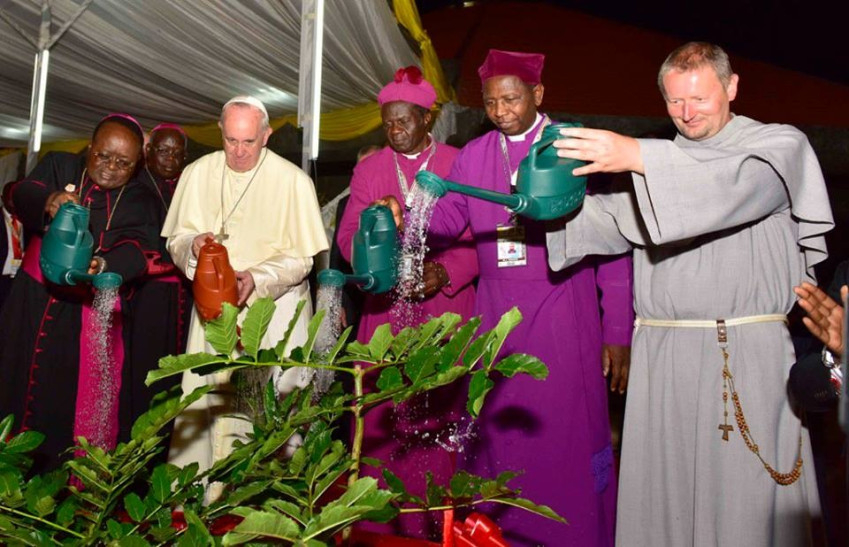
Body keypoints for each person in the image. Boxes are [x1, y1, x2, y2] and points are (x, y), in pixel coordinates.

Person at [547, 42, 832, 545]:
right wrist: (542, 199)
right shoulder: (656, 168)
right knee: (666, 498)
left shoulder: (776, 148)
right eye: (675, 100)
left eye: (699, 98)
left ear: (732, 87)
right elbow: (607, 220)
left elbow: (725, 185)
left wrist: (634, 154)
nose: (686, 113)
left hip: (743, 353)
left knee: (744, 500)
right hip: (663, 355)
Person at [381, 50, 634, 546]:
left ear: (538, 94)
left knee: (563, 437)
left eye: (512, 99)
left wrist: (618, 331)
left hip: (564, 318)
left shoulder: (573, 148)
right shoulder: (476, 154)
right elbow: (448, 220)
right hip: (497, 321)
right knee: (499, 437)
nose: (501, 111)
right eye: (492, 102)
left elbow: (615, 247)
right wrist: (406, 214)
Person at [335, 66, 478, 540]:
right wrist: (377, 247)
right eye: (388, 123)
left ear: (426, 118)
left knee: (441, 422)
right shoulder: (370, 169)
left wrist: (446, 271)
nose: (395, 130)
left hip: (444, 314)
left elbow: (483, 236)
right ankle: (378, 529)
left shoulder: (459, 161)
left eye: (404, 121)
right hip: (385, 315)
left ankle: (440, 527)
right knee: (383, 423)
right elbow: (347, 238)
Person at [161, 96, 328, 500]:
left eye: (248, 142)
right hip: (214, 308)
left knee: (274, 414)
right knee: (207, 403)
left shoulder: (293, 181)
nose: (238, 152)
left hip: (275, 312)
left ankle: (269, 505)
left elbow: (303, 259)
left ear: (266, 136)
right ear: (221, 132)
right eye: (230, 140)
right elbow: (176, 239)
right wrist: (192, 246)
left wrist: (256, 278)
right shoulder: (197, 173)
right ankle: (199, 500)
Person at [0, 114, 165, 473]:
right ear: (90, 148)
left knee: (63, 401)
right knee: (13, 381)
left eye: (123, 163)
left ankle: (57, 480)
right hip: (31, 300)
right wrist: (49, 199)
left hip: (86, 313)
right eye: (103, 156)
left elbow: (141, 249)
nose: (110, 168)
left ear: (137, 164)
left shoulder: (141, 197)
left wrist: (104, 265)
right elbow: (20, 192)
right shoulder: (61, 165)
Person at [123, 123, 193, 454]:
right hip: (145, 297)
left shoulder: (189, 187)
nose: (170, 159)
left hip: (184, 296)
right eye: (163, 151)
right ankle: (138, 446)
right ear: (148, 152)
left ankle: (172, 445)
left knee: (180, 372)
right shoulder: (134, 186)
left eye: (177, 153)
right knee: (144, 372)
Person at [1, 181, 24, 310]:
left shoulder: (26, 219)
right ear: (2, 198)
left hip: (18, 277)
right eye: (9, 198)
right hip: (2, 275)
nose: (12, 202)